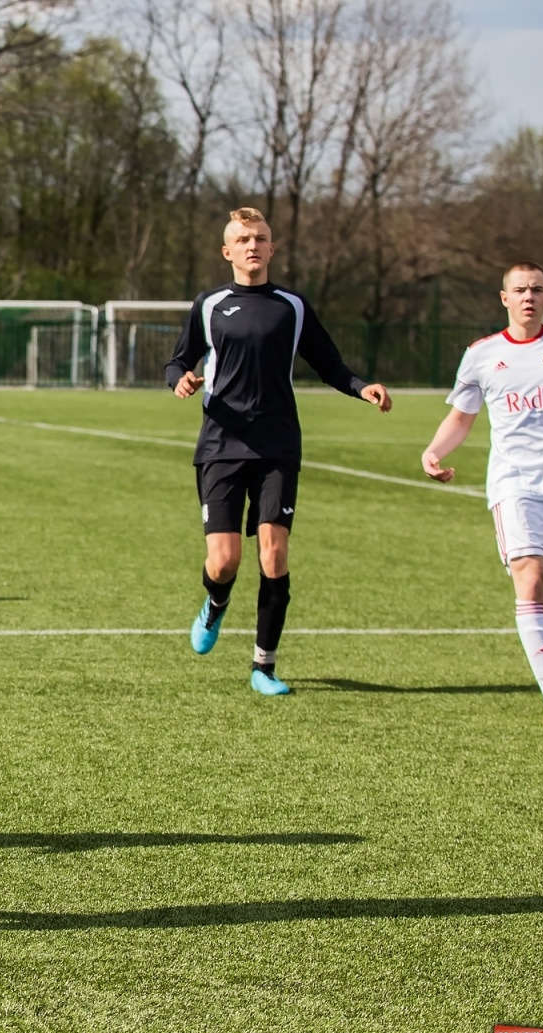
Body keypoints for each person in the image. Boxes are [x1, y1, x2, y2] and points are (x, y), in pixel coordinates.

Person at [165, 207, 392, 695]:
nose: (252, 246)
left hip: (278, 445)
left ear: (272, 249)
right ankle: (216, 604)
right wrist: (179, 379)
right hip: (221, 444)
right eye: (243, 239)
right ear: (228, 251)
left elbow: (329, 364)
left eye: (261, 238)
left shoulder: (292, 306)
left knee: (274, 554)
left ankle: (263, 667)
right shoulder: (209, 304)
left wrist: (361, 387)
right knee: (224, 561)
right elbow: (179, 358)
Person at [422, 262, 543, 727]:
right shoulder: (482, 354)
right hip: (515, 485)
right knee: (530, 582)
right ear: (504, 298)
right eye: (519, 290)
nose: (528, 296)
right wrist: (434, 450)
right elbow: (462, 416)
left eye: (537, 289)